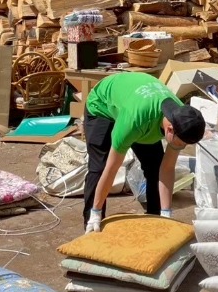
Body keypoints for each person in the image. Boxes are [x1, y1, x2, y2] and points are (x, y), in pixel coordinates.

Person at [82, 71, 206, 233]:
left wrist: (166, 213)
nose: (180, 147)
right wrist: (96, 212)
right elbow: (111, 169)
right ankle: (91, 224)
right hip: (102, 105)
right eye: (180, 143)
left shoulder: (182, 119)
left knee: (155, 166)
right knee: (99, 168)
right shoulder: (135, 121)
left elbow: (167, 168)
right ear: (170, 129)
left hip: (135, 102)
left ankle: (156, 219)